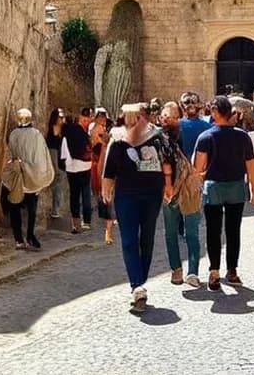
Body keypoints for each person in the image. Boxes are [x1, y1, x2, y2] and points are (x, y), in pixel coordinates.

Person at [102, 102, 174, 311]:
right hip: (127, 196)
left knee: (147, 238)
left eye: (139, 115)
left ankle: (140, 280)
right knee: (129, 239)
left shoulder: (157, 137)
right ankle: (137, 284)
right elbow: (109, 170)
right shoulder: (118, 140)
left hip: (152, 195)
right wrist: (106, 191)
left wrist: (168, 185)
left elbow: (166, 162)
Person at [194, 96, 254, 291]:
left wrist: (196, 187)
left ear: (215, 112)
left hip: (213, 188)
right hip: (236, 187)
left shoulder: (205, 137)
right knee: (233, 230)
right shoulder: (242, 137)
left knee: (213, 230)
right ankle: (232, 270)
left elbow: (199, 170)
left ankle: (214, 271)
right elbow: (251, 167)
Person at [158, 102, 202, 288]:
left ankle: (193, 272)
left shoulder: (189, 132)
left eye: (172, 117)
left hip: (189, 188)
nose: (168, 120)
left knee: (191, 231)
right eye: (165, 116)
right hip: (168, 190)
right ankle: (176, 269)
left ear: (179, 118)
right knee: (171, 232)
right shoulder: (158, 137)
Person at [2, 108, 56, 250]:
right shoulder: (37, 135)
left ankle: (19, 239)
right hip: (32, 178)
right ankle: (30, 235)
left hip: (18, 176)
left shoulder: (14, 134)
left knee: (15, 207)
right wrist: (38, 173)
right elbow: (42, 155)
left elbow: (11, 153)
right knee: (32, 208)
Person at [61, 109, 94, 233]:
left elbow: (64, 148)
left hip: (71, 167)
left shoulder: (68, 131)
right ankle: (86, 221)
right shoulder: (83, 133)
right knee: (85, 194)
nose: (87, 121)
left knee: (74, 195)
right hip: (84, 166)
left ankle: (75, 223)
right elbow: (88, 149)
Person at [88, 108, 116, 245]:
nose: (102, 119)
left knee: (105, 194)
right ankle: (107, 228)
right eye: (101, 116)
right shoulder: (96, 129)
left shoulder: (102, 129)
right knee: (104, 193)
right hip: (99, 162)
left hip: (102, 163)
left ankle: (108, 228)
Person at [45, 108, 68, 219]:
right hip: (54, 154)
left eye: (63, 117)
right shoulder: (51, 130)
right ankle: (55, 209)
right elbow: (51, 148)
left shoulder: (63, 129)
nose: (62, 119)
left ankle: (56, 208)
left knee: (59, 179)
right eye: (60, 117)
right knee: (57, 178)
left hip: (60, 156)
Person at [178, 91, 212, 159]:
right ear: (181, 105)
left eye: (193, 102)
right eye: (187, 102)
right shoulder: (177, 125)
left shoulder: (208, 127)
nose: (191, 105)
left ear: (199, 104)